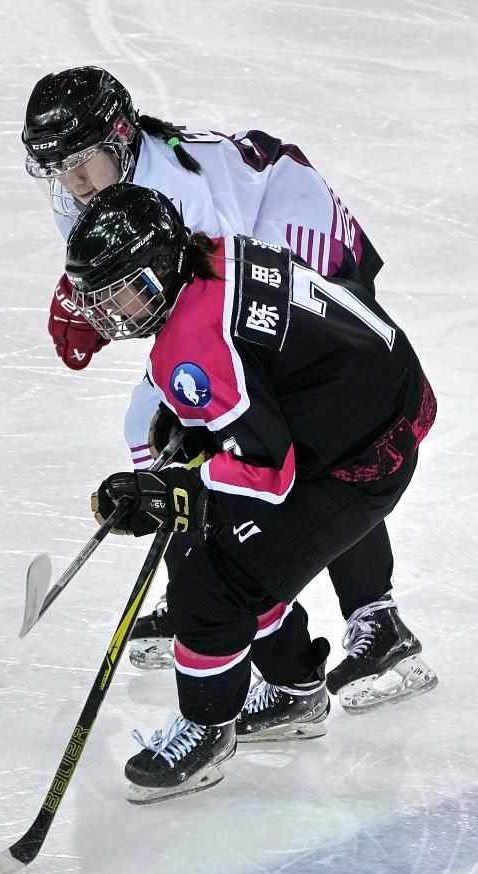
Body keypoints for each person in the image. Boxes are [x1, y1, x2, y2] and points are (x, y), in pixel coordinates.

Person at [21, 65, 434, 707]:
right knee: (196, 427)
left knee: (302, 439)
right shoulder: (86, 190)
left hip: (300, 244)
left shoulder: (177, 189)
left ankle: (362, 612)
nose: (71, 180)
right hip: (237, 264)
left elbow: (204, 306)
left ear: (121, 136)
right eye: (56, 166)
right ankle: (213, 566)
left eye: (80, 161)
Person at [64, 183, 437, 803]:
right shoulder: (212, 252)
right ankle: (294, 692)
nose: (105, 311)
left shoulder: (191, 341)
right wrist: (196, 434)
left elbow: (267, 473)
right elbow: (261, 365)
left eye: (116, 291)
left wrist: (170, 490)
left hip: (365, 455)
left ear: (157, 271)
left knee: (211, 581)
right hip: (376, 401)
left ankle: (207, 730)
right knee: (225, 550)